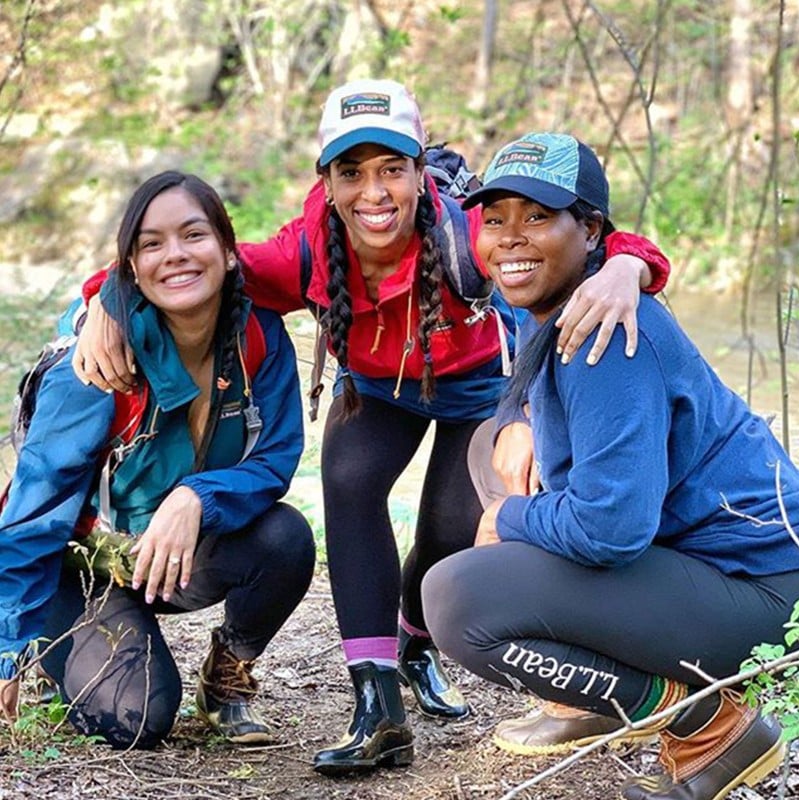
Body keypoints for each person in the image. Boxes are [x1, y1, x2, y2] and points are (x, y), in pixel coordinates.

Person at [71, 79, 672, 773]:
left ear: (421, 171)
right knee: (349, 480)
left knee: (451, 533)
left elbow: (589, 238)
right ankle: (377, 707)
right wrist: (105, 299)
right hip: (380, 389)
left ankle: (414, 644)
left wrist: (628, 265)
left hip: (476, 387)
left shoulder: (465, 233)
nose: (374, 192)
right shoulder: (301, 252)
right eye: (351, 172)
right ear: (327, 182)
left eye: (393, 169)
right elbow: (194, 263)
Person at [422, 132, 799, 800]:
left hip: (762, 589)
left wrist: (508, 517)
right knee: (492, 451)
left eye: (537, 217)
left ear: (590, 230)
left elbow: (609, 529)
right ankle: (603, 688)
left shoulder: (603, 333)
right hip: (712, 570)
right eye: (495, 218)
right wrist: (523, 426)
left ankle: (710, 723)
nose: (511, 237)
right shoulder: (561, 311)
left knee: (460, 599)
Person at [0, 171, 316, 750]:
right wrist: (6, 645)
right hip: (79, 566)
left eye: (193, 235)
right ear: (132, 266)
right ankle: (56, 653)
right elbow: (33, 513)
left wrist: (198, 497)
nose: (175, 255)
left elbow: (274, 459)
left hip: (165, 554)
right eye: (151, 243)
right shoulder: (97, 367)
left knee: (285, 538)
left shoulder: (258, 339)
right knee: (136, 717)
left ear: (227, 249)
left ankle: (227, 678)